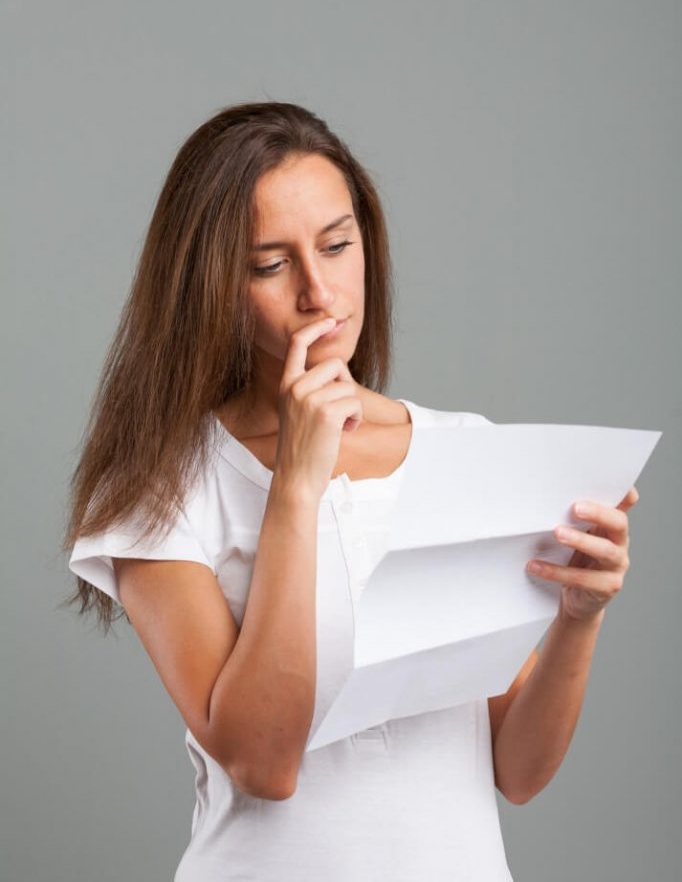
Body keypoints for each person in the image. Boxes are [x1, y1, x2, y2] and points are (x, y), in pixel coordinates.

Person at [62, 101, 638, 881]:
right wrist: (295, 487)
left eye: (337, 245)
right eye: (270, 264)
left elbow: (519, 771)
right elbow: (264, 765)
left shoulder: (464, 451)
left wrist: (576, 618)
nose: (321, 293)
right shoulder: (162, 488)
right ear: (212, 286)